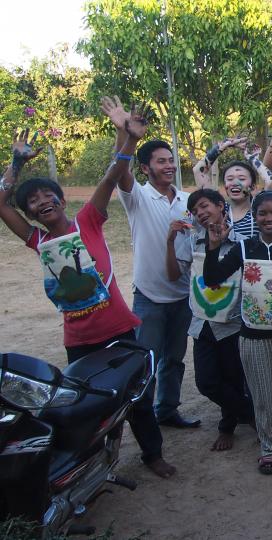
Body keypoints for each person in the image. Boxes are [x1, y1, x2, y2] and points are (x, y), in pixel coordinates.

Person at [0, 98, 175, 478]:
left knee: (139, 398)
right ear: (31, 213)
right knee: (86, 405)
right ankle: (97, 464)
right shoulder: (38, 241)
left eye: (48, 196)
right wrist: (15, 165)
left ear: (62, 201)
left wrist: (129, 139)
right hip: (78, 338)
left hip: (120, 330)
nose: (42, 201)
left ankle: (152, 455)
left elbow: (113, 176)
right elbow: (1, 204)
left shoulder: (89, 220)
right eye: (34, 201)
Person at [202, 191, 272, 474]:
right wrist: (213, 246)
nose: (268, 218)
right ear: (254, 217)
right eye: (262, 213)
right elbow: (213, 278)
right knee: (262, 396)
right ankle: (270, 447)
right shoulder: (243, 249)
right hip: (253, 336)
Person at [166, 188, 255, 451]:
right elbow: (173, 275)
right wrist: (170, 241)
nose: (201, 213)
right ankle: (253, 416)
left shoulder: (243, 241)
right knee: (207, 383)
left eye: (205, 206)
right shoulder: (192, 241)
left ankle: (227, 427)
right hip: (201, 322)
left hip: (234, 322)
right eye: (195, 211)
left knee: (234, 378)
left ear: (220, 205)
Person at [119, 133, 198, 428]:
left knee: (174, 360)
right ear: (145, 168)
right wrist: (125, 135)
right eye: (161, 161)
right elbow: (120, 170)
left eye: (171, 161)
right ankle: (143, 421)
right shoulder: (136, 197)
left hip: (182, 296)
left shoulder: (187, 200)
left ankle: (166, 411)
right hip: (149, 297)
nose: (169, 166)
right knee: (146, 363)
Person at [192, 136, 272, 239]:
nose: (235, 183)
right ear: (225, 185)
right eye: (229, 179)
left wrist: (253, 159)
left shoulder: (260, 208)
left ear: (253, 186)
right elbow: (198, 170)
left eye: (241, 179)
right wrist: (224, 145)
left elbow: (271, 182)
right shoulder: (219, 209)